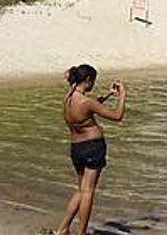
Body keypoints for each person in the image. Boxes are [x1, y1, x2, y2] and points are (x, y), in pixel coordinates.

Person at [55, 64, 127, 235]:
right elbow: (117, 116)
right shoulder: (86, 102)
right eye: (93, 81)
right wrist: (122, 96)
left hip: (76, 147)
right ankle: (81, 233)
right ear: (87, 80)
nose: (93, 85)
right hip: (92, 147)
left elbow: (88, 110)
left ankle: (62, 229)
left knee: (80, 190)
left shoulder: (68, 98)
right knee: (88, 192)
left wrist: (109, 94)